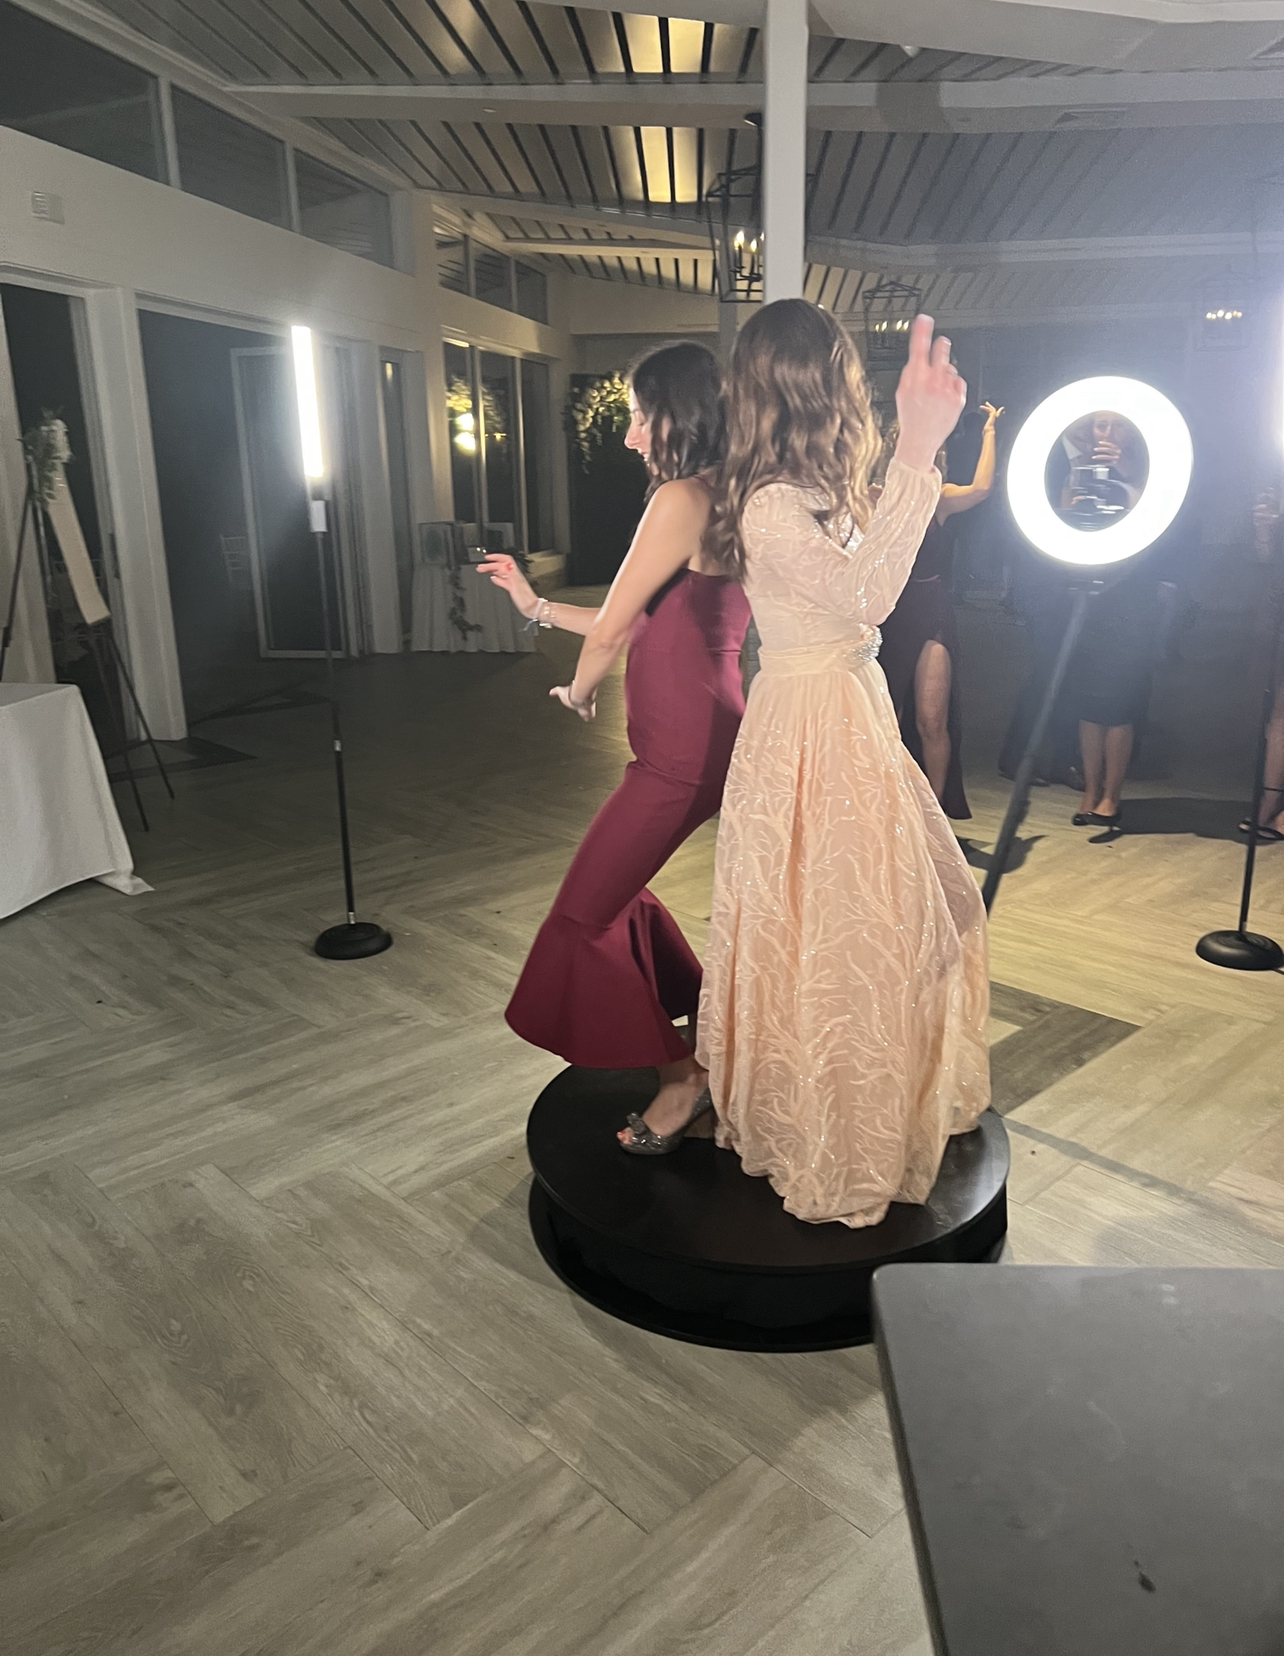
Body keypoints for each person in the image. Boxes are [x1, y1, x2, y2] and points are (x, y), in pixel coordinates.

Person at [692, 302, 989, 1228]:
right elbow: (870, 596)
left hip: (847, 711)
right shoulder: (771, 506)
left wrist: (909, 458)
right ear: (820, 385)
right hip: (813, 724)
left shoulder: (809, 490)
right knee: (833, 924)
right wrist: (915, 448)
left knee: (888, 915)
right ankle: (824, 1127)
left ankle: (866, 1098)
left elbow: (864, 590)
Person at [478, 341, 751, 1149]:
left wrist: (580, 687)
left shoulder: (678, 496)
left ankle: (684, 1080)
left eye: (638, 416)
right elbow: (632, 619)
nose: (631, 436)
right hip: (709, 732)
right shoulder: (727, 491)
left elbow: (609, 641)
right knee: (615, 893)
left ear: (679, 414)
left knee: (581, 916)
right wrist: (533, 606)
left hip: (680, 750)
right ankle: (702, 1022)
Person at [878, 401, 1003, 818]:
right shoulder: (875, 498)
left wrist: (989, 432)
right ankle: (893, 812)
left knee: (932, 720)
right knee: (885, 724)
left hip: (931, 611)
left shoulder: (940, 498)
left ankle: (932, 817)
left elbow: (983, 488)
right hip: (887, 615)